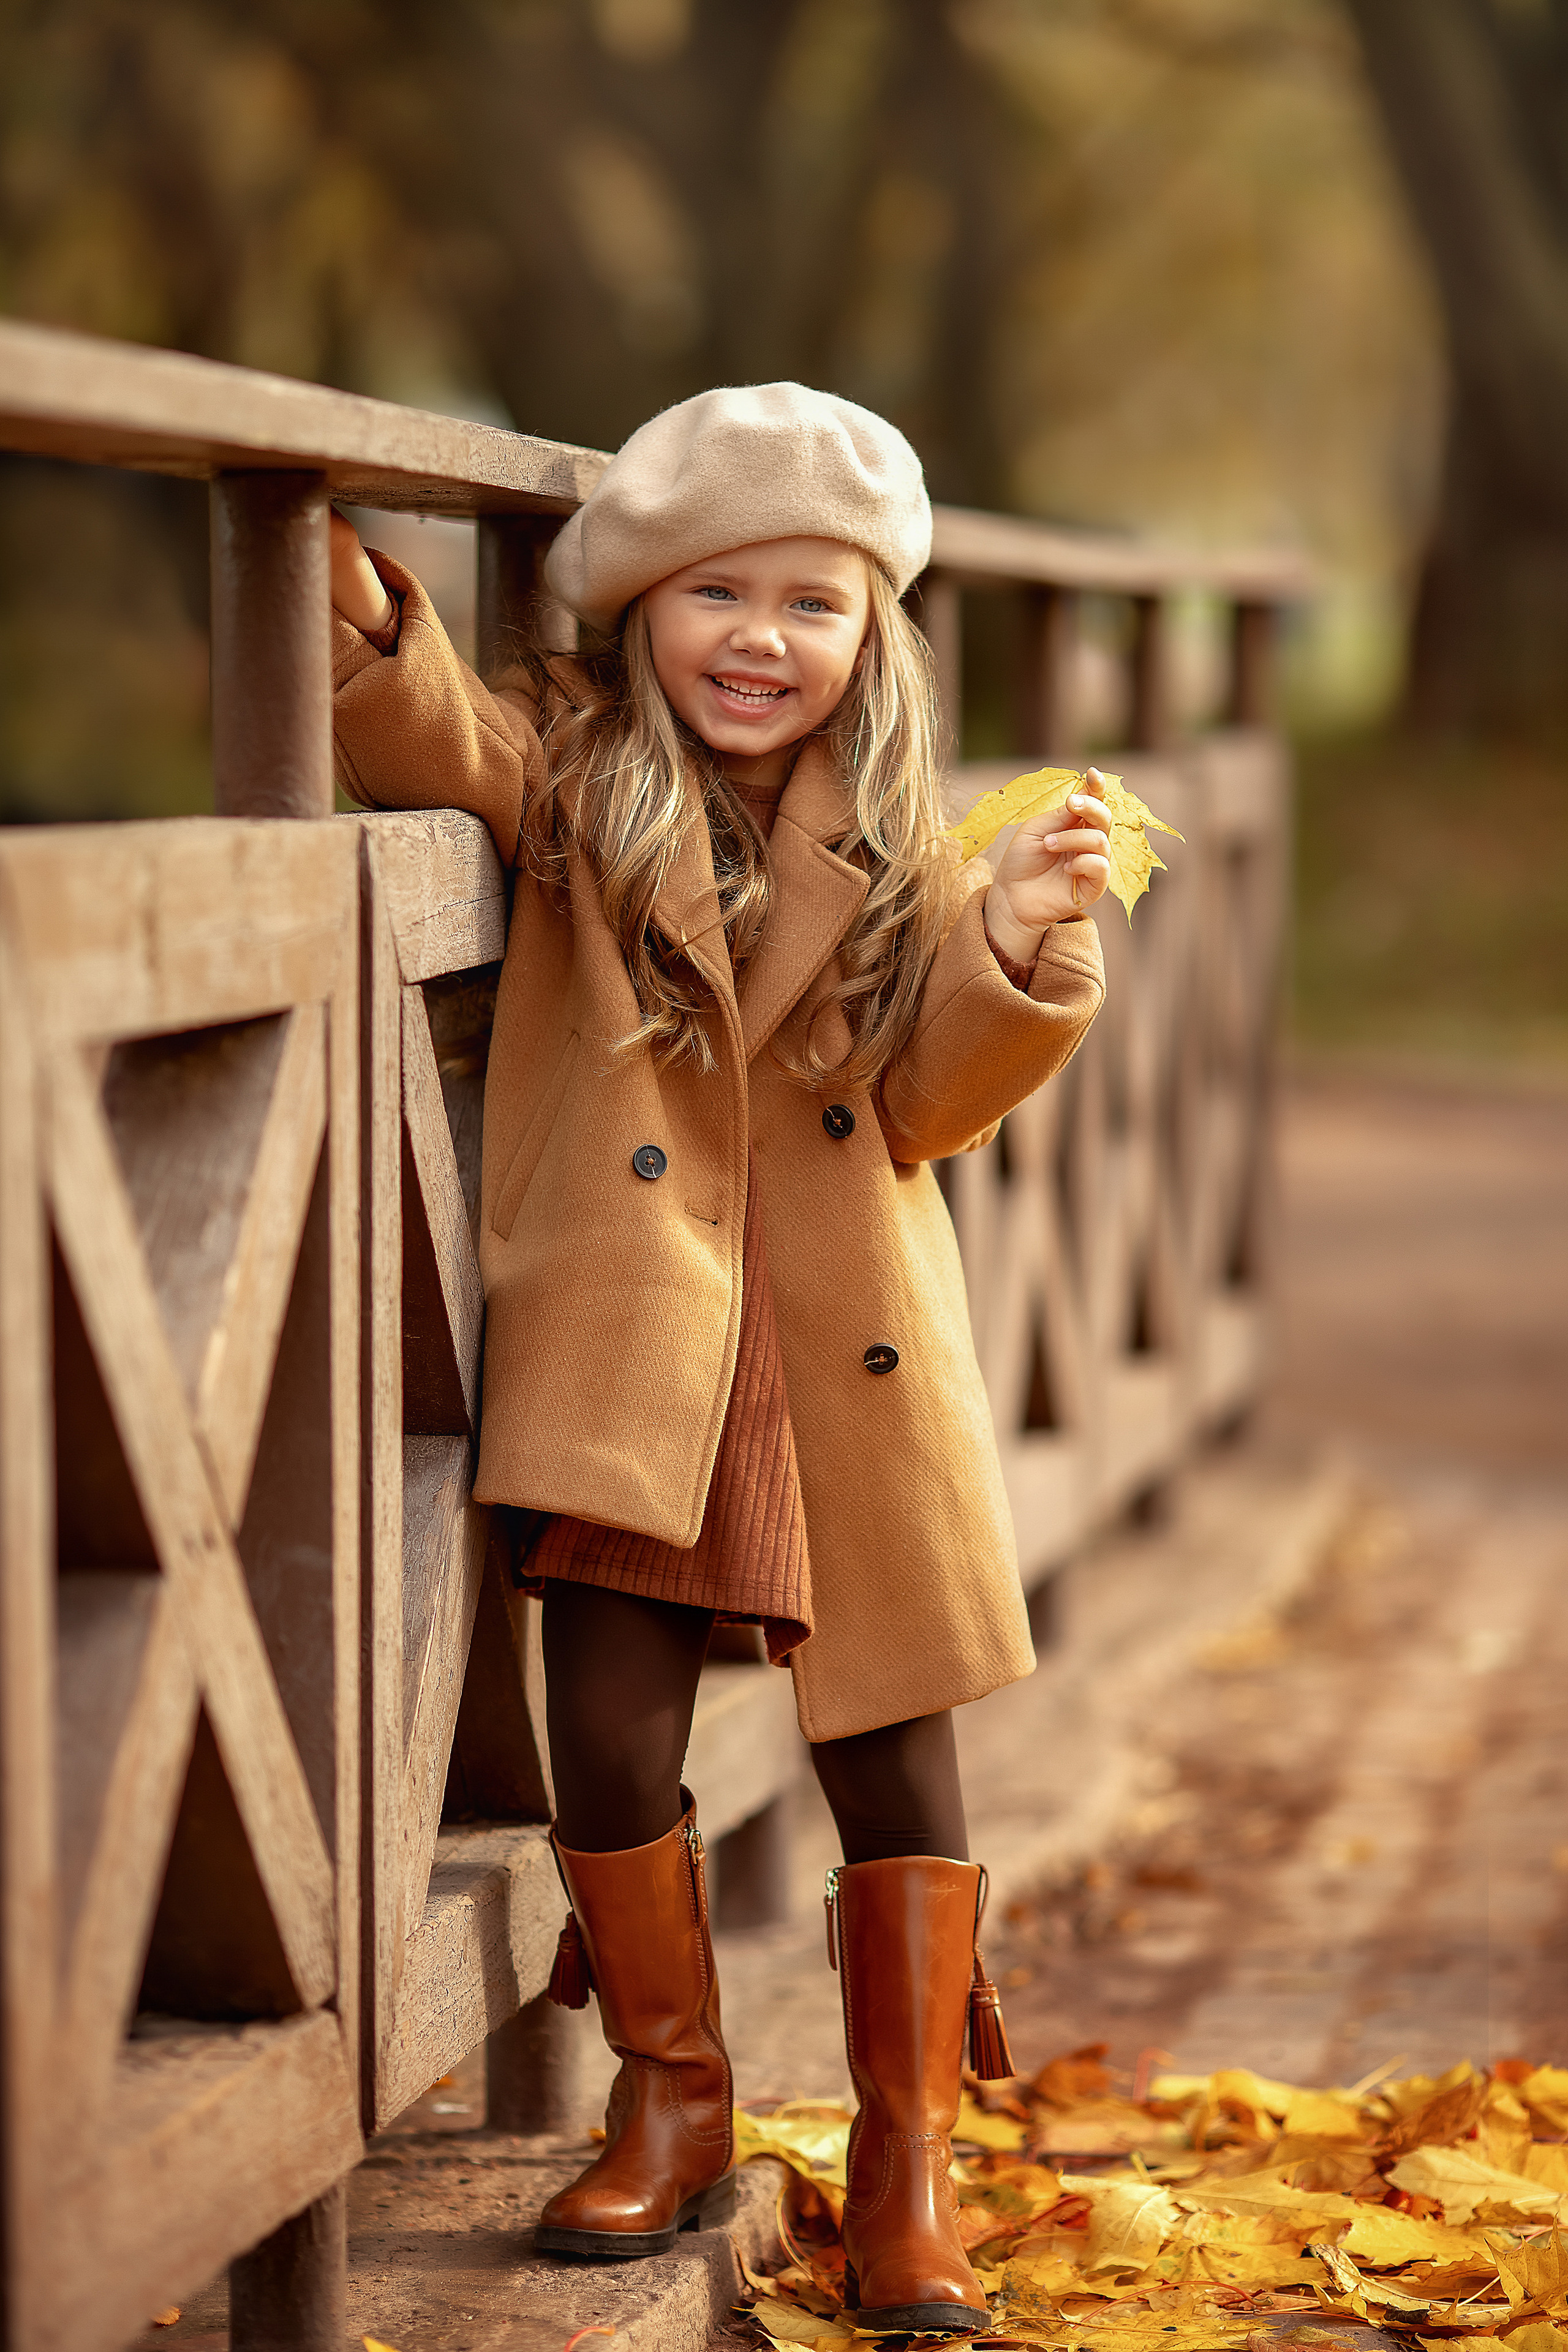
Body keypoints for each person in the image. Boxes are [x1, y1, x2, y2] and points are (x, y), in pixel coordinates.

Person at [330, 383, 1110, 2334]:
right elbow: (429, 729)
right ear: (644, 611)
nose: (763, 639)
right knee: (606, 1731)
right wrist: (346, 605)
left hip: (841, 1355)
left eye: (813, 605)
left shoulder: (905, 845)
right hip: (642, 1348)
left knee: (893, 1761)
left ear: (874, 639)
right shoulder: (581, 787)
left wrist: (1016, 946)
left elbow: (926, 1103)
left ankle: (910, 2161)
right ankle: (673, 2094)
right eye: (719, 594)